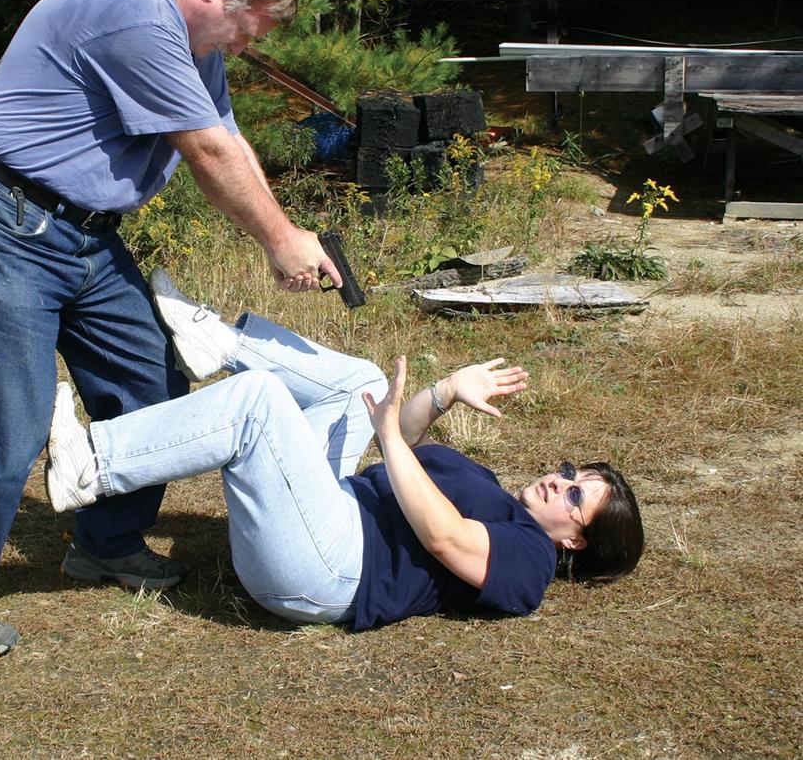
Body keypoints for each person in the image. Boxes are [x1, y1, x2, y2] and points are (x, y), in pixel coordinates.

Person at [0, 0, 342, 662]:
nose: (237, 48)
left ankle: (105, 544)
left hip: (85, 234)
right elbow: (200, 150)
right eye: (242, 31)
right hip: (6, 218)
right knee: (4, 428)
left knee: (153, 384)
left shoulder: (194, 33)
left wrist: (289, 230)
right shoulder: (136, 9)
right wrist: (278, 241)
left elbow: (225, 134)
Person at [44, 269, 645, 631]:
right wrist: (444, 392)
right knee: (363, 381)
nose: (558, 481)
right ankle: (218, 341)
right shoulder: (493, 489)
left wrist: (386, 437)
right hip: (328, 511)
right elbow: (400, 439)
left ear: (575, 540)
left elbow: (445, 539)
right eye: (571, 471)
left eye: (574, 495)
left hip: (329, 572)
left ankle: (91, 465)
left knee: (258, 402)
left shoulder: (531, 564)